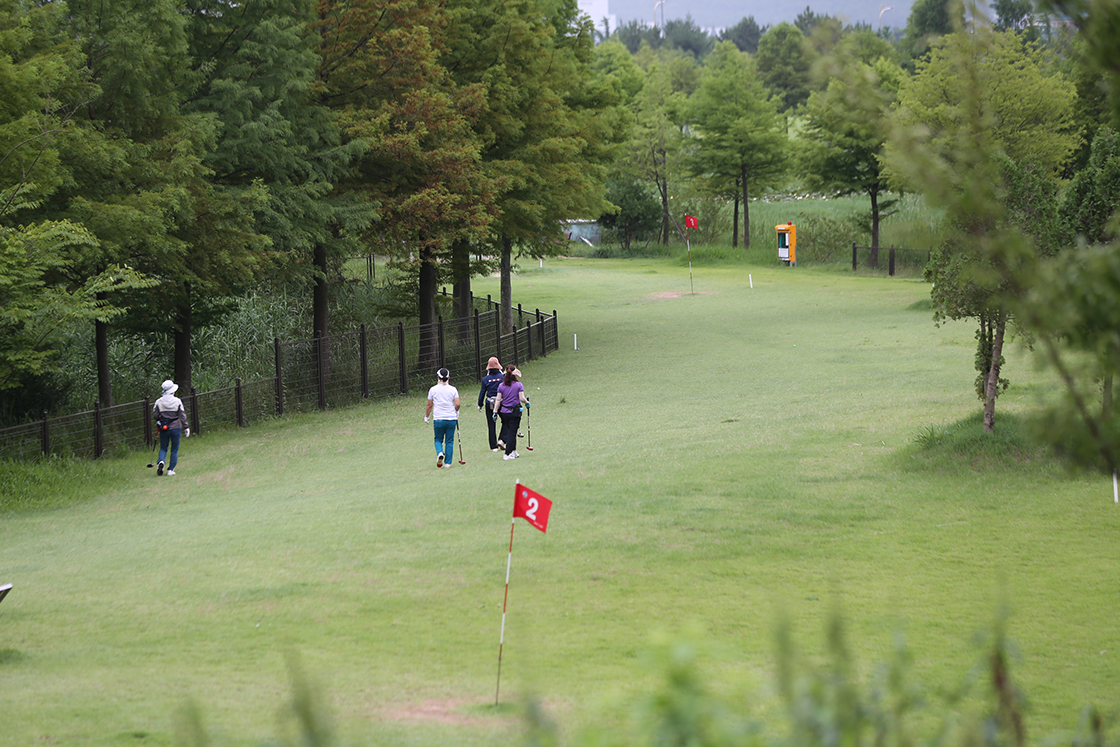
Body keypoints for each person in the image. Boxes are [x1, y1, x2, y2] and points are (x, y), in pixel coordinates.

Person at [424, 368, 460, 468]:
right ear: (448, 377)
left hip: (438, 419)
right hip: (451, 418)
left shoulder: (433, 389)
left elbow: (429, 405)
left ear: (438, 377)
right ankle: (448, 463)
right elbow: (457, 404)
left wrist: (427, 417)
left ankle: (440, 452)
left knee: (438, 439)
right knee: (449, 441)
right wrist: (456, 411)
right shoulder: (453, 389)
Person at [152, 379, 189, 476]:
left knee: (163, 447)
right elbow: (182, 415)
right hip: (176, 427)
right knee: (174, 448)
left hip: (164, 427)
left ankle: (161, 461)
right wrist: (186, 427)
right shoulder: (177, 401)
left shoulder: (158, 402)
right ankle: (170, 470)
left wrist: (160, 419)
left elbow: (155, 415)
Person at [495, 364, 528, 460]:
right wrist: (527, 402)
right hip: (514, 412)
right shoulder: (519, 385)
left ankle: (514, 451)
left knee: (510, 430)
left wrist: (495, 411)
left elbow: (498, 400)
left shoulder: (501, 386)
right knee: (512, 433)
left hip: (504, 412)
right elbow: (522, 398)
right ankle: (507, 453)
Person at [477, 356, 504, 452]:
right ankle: (502, 439)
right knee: (505, 422)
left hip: (489, 403)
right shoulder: (502, 378)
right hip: (501, 402)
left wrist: (480, 404)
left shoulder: (486, 379)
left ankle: (494, 446)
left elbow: (482, 393)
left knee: (491, 424)